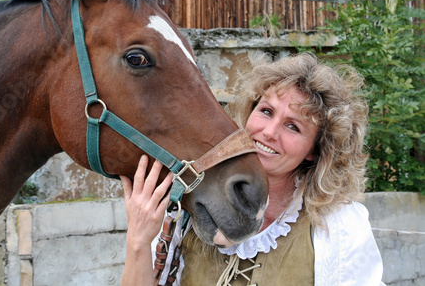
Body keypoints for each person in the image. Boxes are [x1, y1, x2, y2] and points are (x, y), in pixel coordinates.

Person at [120, 53, 384, 286]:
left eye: (293, 126)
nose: (268, 132)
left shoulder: (338, 225)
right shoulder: (193, 200)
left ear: (315, 149)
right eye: (266, 111)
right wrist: (139, 241)